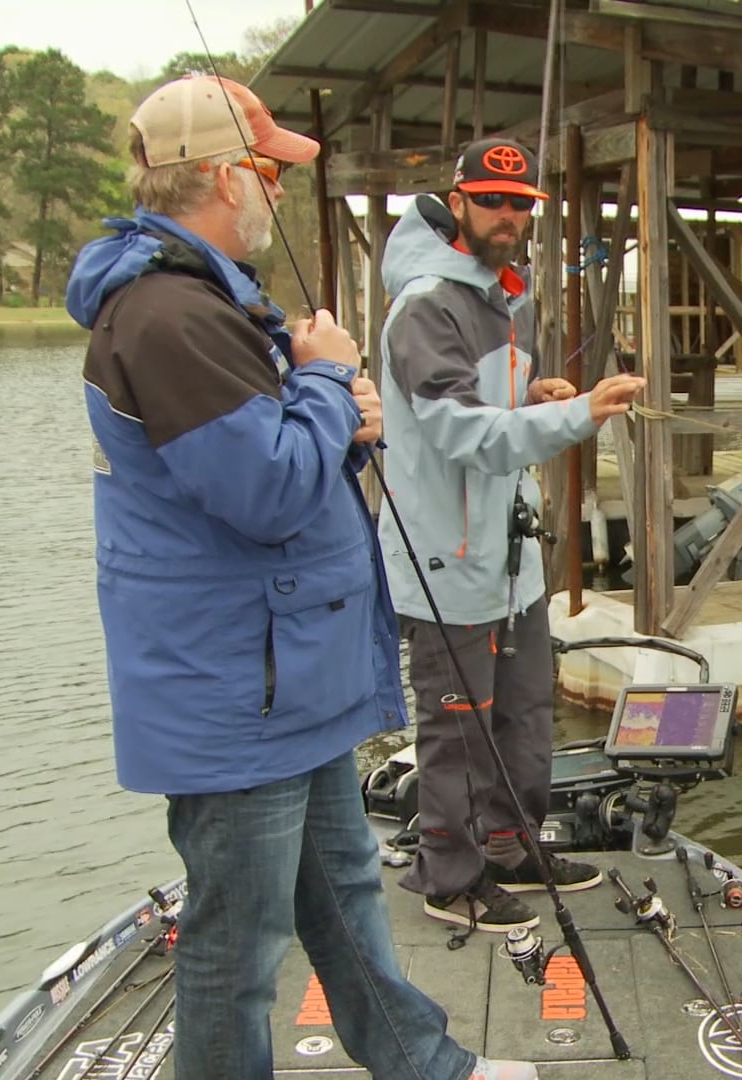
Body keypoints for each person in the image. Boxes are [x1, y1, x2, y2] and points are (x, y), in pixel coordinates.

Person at [65, 73, 537, 1080]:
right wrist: (326, 380)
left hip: (290, 678)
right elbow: (268, 488)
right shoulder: (168, 317)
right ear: (223, 178)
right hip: (238, 690)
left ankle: (425, 1065)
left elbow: (288, 447)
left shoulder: (209, 301)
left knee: (348, 891)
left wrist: (336, 404)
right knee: (237, 950)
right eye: (270, 171)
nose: (279, 190)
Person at [376, 136, 645, 932]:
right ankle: (448, 878)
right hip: (446, 558)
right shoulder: (426, 301)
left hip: (511, 558)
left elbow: (491, 399)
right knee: (456, 725)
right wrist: (578, 413)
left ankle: (510, 847)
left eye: (521, 203)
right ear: (456, 201)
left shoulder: (502, 291)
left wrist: (533, 390)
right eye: (491, 200)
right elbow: (463, 433)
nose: (508, 216)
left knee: (525, 711)